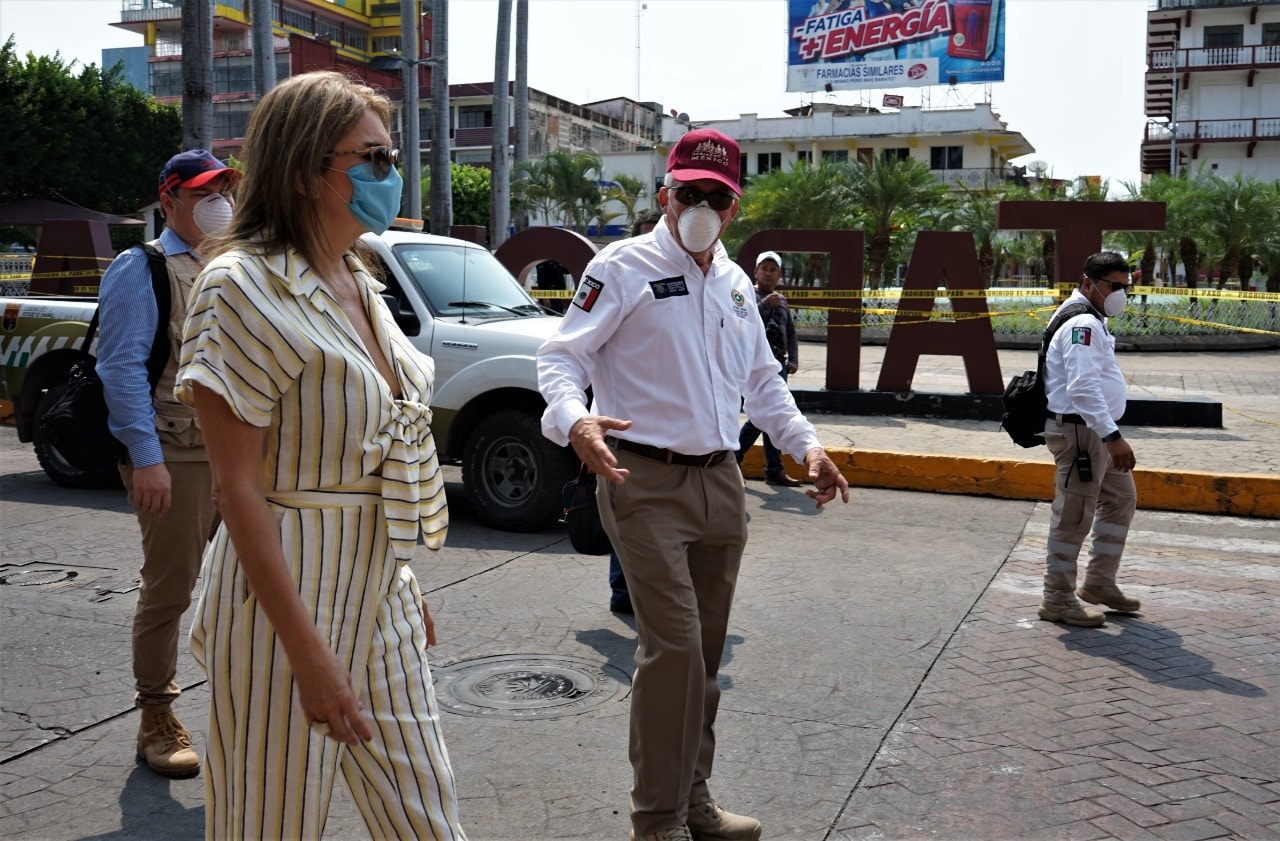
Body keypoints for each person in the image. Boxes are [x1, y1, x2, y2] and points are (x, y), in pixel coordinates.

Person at [175, 71, 467, 839]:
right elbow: (236, 490)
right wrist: (307, 653)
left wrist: (395, 569)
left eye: (391, 155)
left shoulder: (360, 281)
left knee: (427, 821)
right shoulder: (241, 286)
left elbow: (381, 449)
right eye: (370, 158)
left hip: (380, 588)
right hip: (285, 601)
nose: (389, 173)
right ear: (306, 171)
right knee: (268, 822)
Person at [537, 128, 850, 841]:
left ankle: (695, 801)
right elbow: (559, 358)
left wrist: (807, 447)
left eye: (718, 195)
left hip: (720, 484)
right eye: (690, 192)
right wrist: (576, 422)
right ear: (664, 195)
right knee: (673, 650)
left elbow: (764, 383)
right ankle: (655, 821)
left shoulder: (738, 285)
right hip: (641, 479)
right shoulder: (623, 266)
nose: (702, 206)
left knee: (704, 658)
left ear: (734, 206)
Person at [97, 148, 240, 778]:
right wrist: (145, 457)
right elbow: (121, 367)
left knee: (250, 581)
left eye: (226, 189)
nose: (219, 202)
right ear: (170, 199)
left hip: (238, 453)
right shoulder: (143, 267)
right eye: (205, 191)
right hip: (175, 455)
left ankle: (249, 706)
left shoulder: (234, 265)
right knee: (171, 588)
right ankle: (156, 714)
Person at [1038, 251, 1141, 628]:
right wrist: (1113, 437)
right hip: (1083, 434)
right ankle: (1057, 599)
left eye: (1126, 287)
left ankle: (1098, 582)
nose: (1121, 295)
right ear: (1088, 283)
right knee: (1073, 516)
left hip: (1094, 431)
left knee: (1121, 499)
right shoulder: (1082, 324)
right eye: (1114, 286)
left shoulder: (1091, 318)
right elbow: (1082, 388)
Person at [608, 208, 664, 616]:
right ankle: (622, 592)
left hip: (673, 444)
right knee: (628, 528)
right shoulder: (618, 273)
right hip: (628, 440)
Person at [735, 250, 802, 486]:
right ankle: (735, 460)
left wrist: (793, 358)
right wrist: (763, 305)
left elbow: (791, 332)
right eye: (764, 268)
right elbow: (740, 324)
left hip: (778, 364)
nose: (768, 273)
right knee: (760, 416)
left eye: (773, 269)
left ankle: (773, 469)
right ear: (755, 272)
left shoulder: (782, 300)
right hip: (753, 365)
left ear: (779, 274)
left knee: (770, 414)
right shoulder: (745, 296)